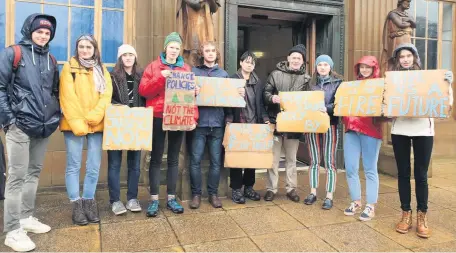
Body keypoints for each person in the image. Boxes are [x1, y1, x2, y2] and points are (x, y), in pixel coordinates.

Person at [0, 13, 60, 252]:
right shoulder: (13, 53)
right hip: (19, 127)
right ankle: (12, 230)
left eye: (47, 33)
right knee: (16, 177)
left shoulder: (51, 60)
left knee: (33, 173)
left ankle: (25, 217)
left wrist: (54, 117)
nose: (43, 35)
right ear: (30, 31)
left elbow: (53, 91)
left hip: (42, 127)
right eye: (39, 31)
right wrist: (10, 121)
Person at [389, 43, 453, 238]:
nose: (405, 59)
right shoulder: (392, 80)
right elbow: (384, 103)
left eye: (409, 55)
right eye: (402, 56)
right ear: (398, 60)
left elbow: (445, 101)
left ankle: (422, 215)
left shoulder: (428, 78)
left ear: (415, 58)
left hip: (423, 130)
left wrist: (447, 84)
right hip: (400, 129)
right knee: (403, 173)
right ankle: (405, 213)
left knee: (421, 174)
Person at [139, 32, 194, 217]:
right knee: (155, 158)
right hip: (157, 116)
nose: (174, 51)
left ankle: (171, 198)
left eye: (177, 48)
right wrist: (160, 77)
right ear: (165, 48)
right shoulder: (153, 67)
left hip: (178, 117)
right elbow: (144, 91)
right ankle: (154, 199)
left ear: (180, 51)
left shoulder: (186, 69)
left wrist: (193, 113)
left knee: (173, 159)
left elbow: (190, 98)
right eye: (171, 47)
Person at [60, 34, 113, 226]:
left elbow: (106, 95)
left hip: (96, 123)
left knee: (93, 165)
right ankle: (76, 204)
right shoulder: (69, 68)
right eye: (81, 47)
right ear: (77, 48)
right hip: (74, 124)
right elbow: (67, 97)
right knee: (73, 165)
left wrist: (95, 116)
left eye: (88, 47)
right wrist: (80, 122)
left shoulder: (101, 69)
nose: (85, 50)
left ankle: (89, 200)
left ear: (94, 49)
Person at [188, 41, 244, 209]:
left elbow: (230, 100)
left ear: (216, 54)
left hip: (218, 123)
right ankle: (196, 194)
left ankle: (213, 194)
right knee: (195, 160)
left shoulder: (224, 74)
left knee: (215, 161)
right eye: (207, 51)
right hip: (199, 123)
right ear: (202, 53)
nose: (210, 53)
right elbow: (183, 95)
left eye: (213, 50)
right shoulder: (194, 72)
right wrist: (192, 92)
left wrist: (239, 94)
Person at [263, 44, 310, 202]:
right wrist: (271, 98)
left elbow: (309, 101)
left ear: (302, 61)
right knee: (273, 159)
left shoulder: (306, 78)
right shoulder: (275, 74)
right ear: (288, 58)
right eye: (294, 57)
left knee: (291, 159)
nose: (296, 60)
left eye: (299, 58)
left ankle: (291, 189)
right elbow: (266, 93)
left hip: (294, 125)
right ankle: (271, 188)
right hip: (276, 122)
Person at [342, 56, 385, 221]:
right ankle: (356, 201)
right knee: (351, 168)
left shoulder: (380, 86)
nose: (364, 70)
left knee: (369, 169)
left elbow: (387, 107)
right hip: (352, 130)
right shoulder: (352, 87)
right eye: (362, 67)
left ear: (374, 68)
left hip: (370, 131)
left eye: (368, 67)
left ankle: (371, 205)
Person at [226, 51, 269, 204]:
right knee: (237, 157)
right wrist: (229, 119)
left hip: (253, 123)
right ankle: (236, 189)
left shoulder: (258, 82)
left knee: (252, 158)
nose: (249, 64)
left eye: (252, 63)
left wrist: (265, 120)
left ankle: (249, 187)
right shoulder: (232, 79)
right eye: (247, 61)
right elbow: (226, 101)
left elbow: (261, 104)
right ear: (241, 63)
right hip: (238, 123)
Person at [108, 44, 145, 215]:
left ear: (135, 57)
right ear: (120, 58)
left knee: (134, 164)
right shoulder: (112, 76)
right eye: (125, 55)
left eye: (131, 54)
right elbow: (106, 98)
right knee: (114, 163)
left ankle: (132, 198)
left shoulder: (142, 75)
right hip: (117, 122)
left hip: (136, 123)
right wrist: (119, 108)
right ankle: (115, 200)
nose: (128, 57)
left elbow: (147, 96)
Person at [304, 54, 343, 210]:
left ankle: (329, 195)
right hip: (312, 125)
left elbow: (341, 104)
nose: (322, 67)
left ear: (330, 67)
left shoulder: (339, 83)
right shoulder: (309, 83)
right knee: (314, 160)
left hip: (330, 125)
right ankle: (312, 192)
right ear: (316, 67)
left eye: (326, 65)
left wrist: (327, 108)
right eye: (320, 64)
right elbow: (303, 101)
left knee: (329, 161)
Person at [177, 0, 220, 64]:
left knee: (208, 49)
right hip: (192, 23)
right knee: (193, 50)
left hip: (206, 24)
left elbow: (215, 8)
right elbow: (196, 5)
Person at [380, 0, 416, 72]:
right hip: (398, 39)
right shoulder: (393, 14)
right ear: (401, 2)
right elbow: (401, 24)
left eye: (409, 2)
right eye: (407, 2)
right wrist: (410, 21)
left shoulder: (407, 15)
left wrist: (409, 20)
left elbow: (414, 25)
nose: (409, 4)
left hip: (407, 39)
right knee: (397, 57)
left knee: (407, 56)